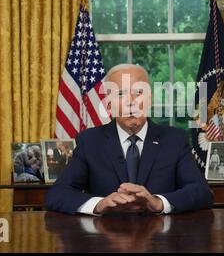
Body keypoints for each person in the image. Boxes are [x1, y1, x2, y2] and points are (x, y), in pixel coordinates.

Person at [45, 63, 213, 215]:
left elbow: (201, 192)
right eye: (120, 94)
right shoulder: (90, 141)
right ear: (108, 104)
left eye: (139, 93)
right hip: (105, 239)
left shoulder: (174, 139)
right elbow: (57, 194)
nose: (131, 102)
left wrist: (158, 202)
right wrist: (99, 204)